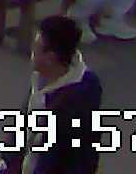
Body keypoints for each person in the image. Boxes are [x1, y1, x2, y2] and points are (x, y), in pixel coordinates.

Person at [22, 13, 102, 174]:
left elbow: (63, 157)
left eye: (36, 47)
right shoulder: (41, 77)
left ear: (50, 57)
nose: (32, 51)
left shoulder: (78, 100)